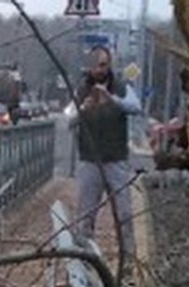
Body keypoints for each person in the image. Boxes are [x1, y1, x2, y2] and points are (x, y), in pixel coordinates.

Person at [66, 48, 143, 247]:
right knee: (86, 214)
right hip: (89, 160)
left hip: (115, 159)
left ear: (109, 65)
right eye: (96, 65)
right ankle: (86, 257)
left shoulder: (121, 87)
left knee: (124, 212)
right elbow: (68, 118)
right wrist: (84, 108)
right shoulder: (82, 90)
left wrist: (113, 100)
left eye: (103, 64)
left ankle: (128, 259)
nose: (100, 69)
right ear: (89, 67)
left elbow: (136, 107)